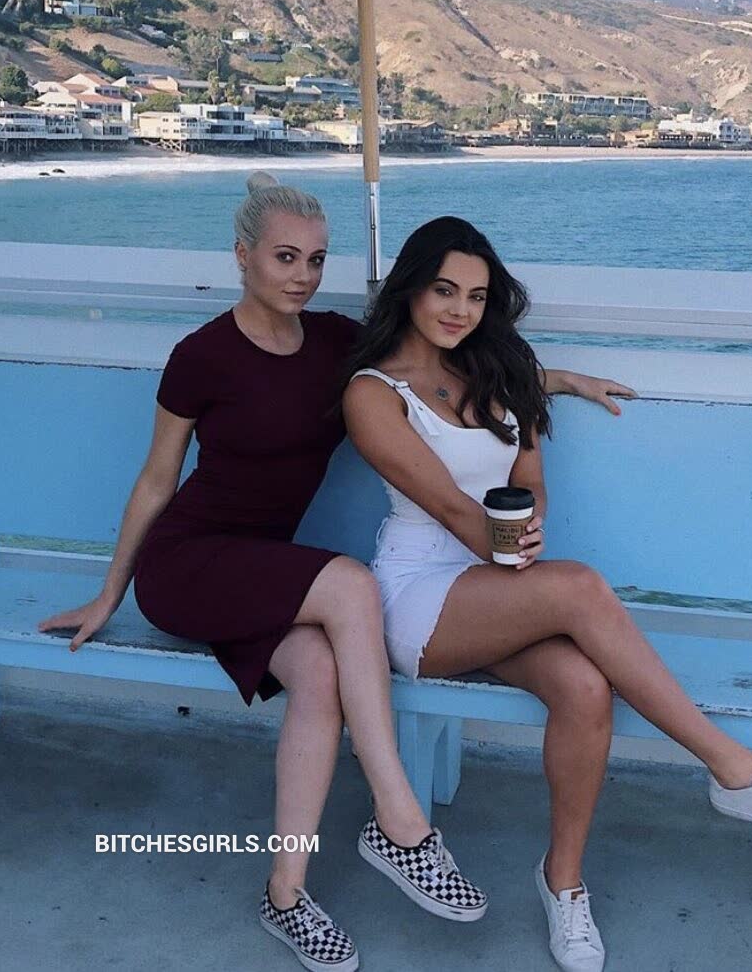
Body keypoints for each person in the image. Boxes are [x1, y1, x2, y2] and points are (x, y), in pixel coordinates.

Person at [36, 176, 622, 972]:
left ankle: (284, 894)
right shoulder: (200, 356)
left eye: (315, 259)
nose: (302, 275)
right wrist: (111, 591)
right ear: (242, 255)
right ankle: (400, 819)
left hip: (268, 572)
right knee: (350, 582)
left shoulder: (336, 345)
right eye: (284, 257)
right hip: (189, 563)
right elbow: (156, 480)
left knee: (317, 672)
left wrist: (559, 380)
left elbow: (441, 370)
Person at [341, 216, 752, 972]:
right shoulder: (373, 393)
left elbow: (528, 485)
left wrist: (540, 457)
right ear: (411, 288)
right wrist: (516, 552)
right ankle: (736, 769)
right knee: (579, 586)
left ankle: (564, 884)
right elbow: (452, 510)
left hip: (497, 587)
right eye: (444, 290)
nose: (459, 310)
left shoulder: (500, 370)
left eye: (476, 297)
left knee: (585, 687)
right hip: (420, 595)